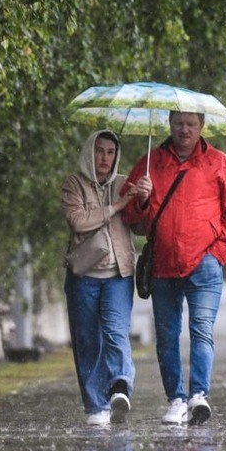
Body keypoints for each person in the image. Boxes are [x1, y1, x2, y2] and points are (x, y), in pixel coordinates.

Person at [121, 110, 226, 425]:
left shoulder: (218, 162)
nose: (184, 130)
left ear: (202, 126)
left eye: (191, 124)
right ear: (170, 124)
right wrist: (142, 199)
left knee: (201, 329)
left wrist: (219, 252)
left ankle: (198, 395)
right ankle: (176, 400)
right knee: (166, 335)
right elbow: (128, 215)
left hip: (205, 263)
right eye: (179, 124)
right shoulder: (150, 164)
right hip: (163, 263)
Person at [61, 130, 149, 426]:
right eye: (99, 151)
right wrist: (117, 207)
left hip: (118, 275)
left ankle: (120, 386)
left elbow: (140, 227)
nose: (105, 158)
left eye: (111, 152)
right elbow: (78, 221)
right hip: (84, 275)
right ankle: (95, 406)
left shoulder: (125, 184)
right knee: (88, 341)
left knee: (116, 332)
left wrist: (143, 201)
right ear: (90, 152)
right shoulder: (74, 184)